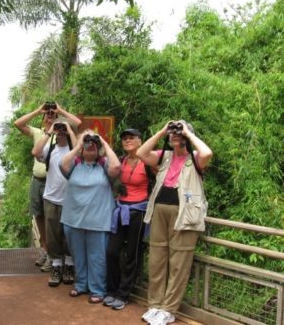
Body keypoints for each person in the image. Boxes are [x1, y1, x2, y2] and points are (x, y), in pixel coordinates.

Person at [137, 120, 213, 325]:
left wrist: (188, 133)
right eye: (174, 133)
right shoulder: (165, 156)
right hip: (160, 211)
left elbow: (207, 153)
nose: (175, 135)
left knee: (179, 264)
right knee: (157, 259)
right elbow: (141, 153)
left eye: (178, 133)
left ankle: (168, 309)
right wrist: (162, 131)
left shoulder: (195, 158)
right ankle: (155, 305)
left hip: (185, 215)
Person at [14, 102, 81, 272]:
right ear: (43, 120)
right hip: (40, 181)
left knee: (60, 223)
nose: (51, 117)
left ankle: (61, 258)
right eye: (48, 115)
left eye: (53, 115)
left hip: (62, 186)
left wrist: (60, 111)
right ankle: (47, 252)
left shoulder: (65, 138)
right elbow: (18, 124)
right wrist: (38, 111)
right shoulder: (40, 133)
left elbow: (77, 124)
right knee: (41, 217)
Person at [60, 130, 121, 303]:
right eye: (87, 144)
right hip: (73, 219)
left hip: (98, 221)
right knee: (78, 255)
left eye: (94, 144)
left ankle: (97, 290)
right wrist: (79, 144)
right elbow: (62, 164)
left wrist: (102, 141)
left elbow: (116, 167)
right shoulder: (74, 166)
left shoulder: (104, 166)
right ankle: (80, 285)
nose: (90, 145)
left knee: (97, 258)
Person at [103, 128, 152, 310]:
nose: (127, 141)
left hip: (138, 211)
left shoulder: (148, 162)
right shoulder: (122, 161)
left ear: (140, 141)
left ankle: (123, 295)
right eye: (124, 138)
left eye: (131, 138)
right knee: (112, 252)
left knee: (132, 253)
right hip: (121, 208)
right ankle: (111, 290)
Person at [32, 118, 78, 287]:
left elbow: (80, 154)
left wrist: (70, 131)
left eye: (63, 128)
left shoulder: (74, 148)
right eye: (59, 128)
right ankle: (56, 266)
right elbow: (35, 152)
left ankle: (69, 266)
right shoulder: (49, 148)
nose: (61, 131)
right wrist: (49, 132)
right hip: (51, 197)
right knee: (53, 235)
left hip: (70, 200)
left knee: (69, 235)